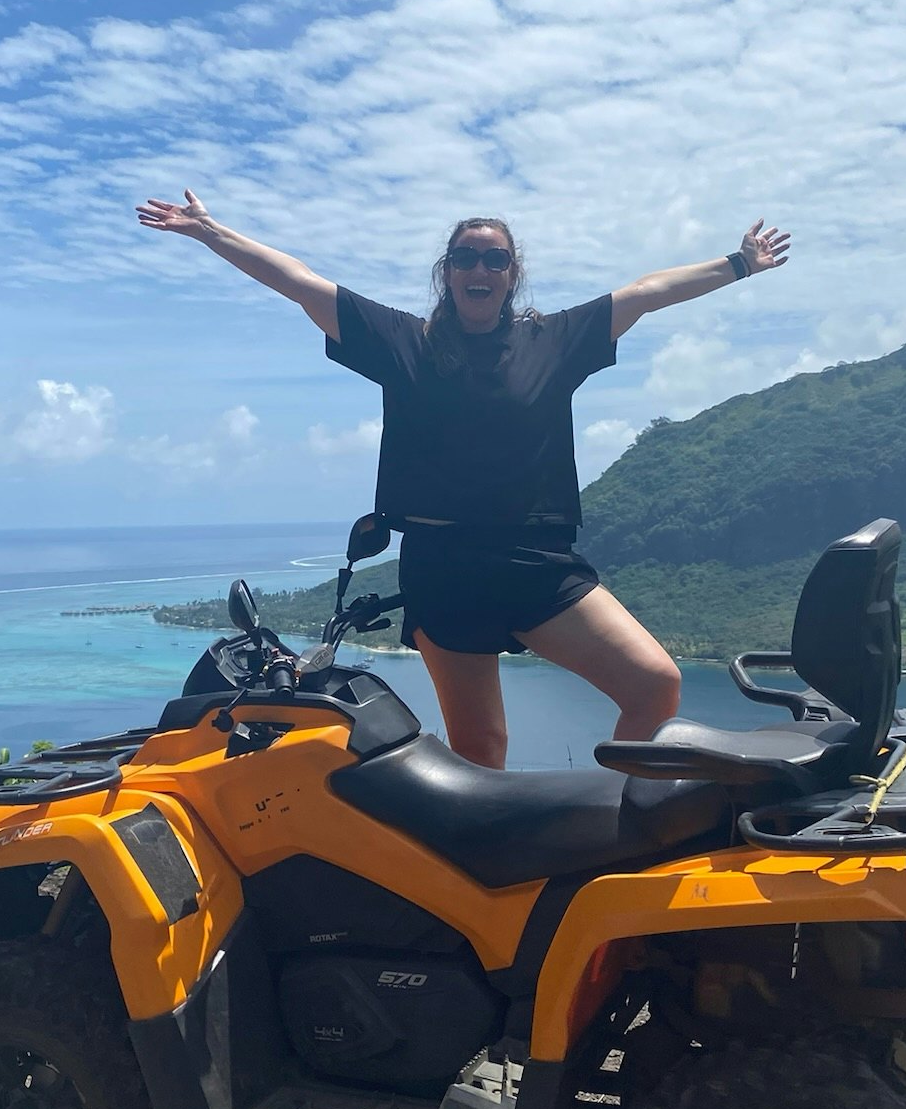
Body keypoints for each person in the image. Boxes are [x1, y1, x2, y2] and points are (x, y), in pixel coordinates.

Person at [136, 192, 791, 769]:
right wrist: (209, 231)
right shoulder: (405, 342)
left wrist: (738, 264)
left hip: (539, 562)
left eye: (494, 259)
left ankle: (611, 822)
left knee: (655, 685)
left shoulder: (552, 341)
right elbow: (303, 283)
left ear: (513, 274)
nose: (480, 269)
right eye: (466, 258)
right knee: (482, 749)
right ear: (446, 273)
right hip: (444, 568)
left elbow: (646, 293)